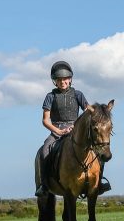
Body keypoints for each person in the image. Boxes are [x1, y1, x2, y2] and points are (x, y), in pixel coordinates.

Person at [35, 60, 112, 197]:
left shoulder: (78, 94)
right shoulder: (50, 96)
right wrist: (57, 131)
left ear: (70, 79)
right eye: (59, 79)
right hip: (57, 129)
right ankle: (44, 185)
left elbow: (89, 110)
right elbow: (45, 120)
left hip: (74, 129)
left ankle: (99, 182)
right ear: (55, 81)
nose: (62, 82)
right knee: (44, 150)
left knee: (98, 150)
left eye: (65, 79)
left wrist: (102, 111)